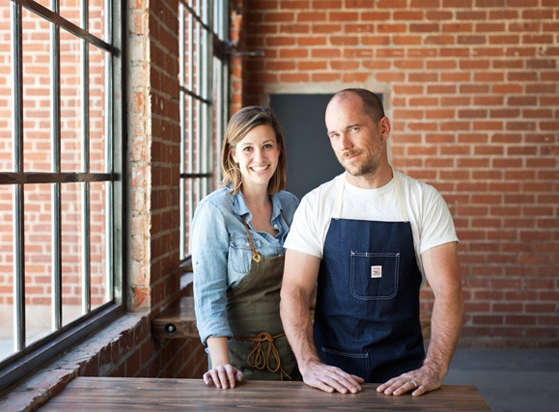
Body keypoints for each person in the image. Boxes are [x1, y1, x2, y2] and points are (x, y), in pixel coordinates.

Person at [280, 88, 463, 397]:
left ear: (383, 128)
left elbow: (449, 290)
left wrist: (434, 367)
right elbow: (294, 291)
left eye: (353, 129)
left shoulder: (423, 200)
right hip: (331, 378)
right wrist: (309, 364)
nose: (345, 145)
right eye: (334, 135)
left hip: (404, 377)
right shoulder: (317, 204)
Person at [192, 105, 301, 389]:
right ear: (233, 155)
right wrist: (220, 364)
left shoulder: (292, 206)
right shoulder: (215, 211)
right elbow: (209, 295)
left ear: (279, 150)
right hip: (237, 366)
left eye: (267, 146)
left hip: (293, 359)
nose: (260, 157)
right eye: (248, 148)